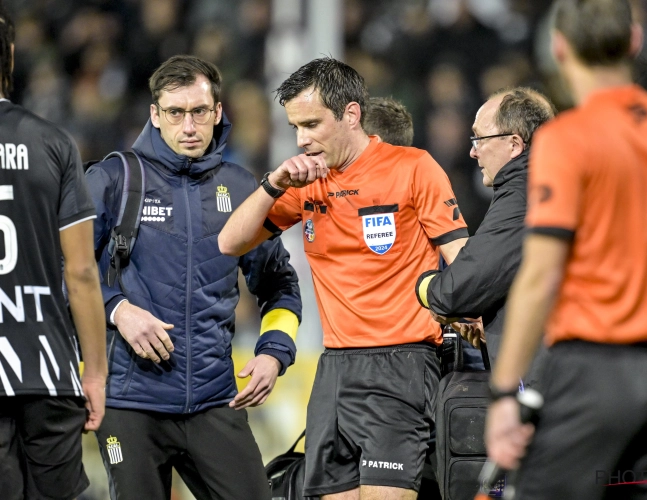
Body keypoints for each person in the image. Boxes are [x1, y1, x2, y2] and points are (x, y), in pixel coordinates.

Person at [484, 1, 647, 499]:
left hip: (588, 379)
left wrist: (502, 393)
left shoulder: (566, 140)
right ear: (636, 42)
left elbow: (540, 276)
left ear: (559, 48)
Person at [219, 57, 469, 500]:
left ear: (350, 114)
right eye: (295, 127)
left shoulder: (413, 168)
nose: (302, 139)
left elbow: (463, 263)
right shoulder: (306, 180)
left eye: (312, 124)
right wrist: (273, 184)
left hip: (402, 363)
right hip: (333, 367)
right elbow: (230, 242)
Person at [85, 55, 302, 500]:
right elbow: (63, 273)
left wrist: (275, 352)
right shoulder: (112, 180)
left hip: (213, 400)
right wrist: (118, 310)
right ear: (155, 115)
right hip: (130, 403)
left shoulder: (242, 189)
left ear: (218, 113)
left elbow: (280, 283)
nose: (188, 126)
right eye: (175, 113)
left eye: (199, 112)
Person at [0, 4, 107, 499]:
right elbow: (82, 271)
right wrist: (96, 372)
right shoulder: (54, 142)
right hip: (49, 368)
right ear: (13, 57)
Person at [415, 87, 555, 376]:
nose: (472, 150)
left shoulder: (522, 194)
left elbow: (454, 291)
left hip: (549, 377)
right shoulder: (552, 185)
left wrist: (425, 284)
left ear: (515, 145)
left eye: (479, 138)